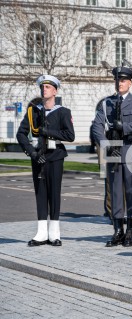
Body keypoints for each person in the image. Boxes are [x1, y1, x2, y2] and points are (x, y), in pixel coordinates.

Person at [92, 66, 132, 247]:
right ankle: (117, 230)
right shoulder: (106, 103)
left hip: (131, 152)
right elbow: (97, 126)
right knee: (116, 192)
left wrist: (124, 128)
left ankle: (130, 231)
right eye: (117, 80)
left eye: (124, 80)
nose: (120, 83)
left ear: (130, 82)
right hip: (114, 152)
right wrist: (106, 144)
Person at [16, 75, 75, 247]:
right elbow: (21, 134)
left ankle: (54, 233)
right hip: (38, 157)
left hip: (55, 156)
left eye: (48, 87)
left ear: (55, 90)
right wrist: (32, 153)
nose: (44, 90)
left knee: (54, 194)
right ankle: (41, 232)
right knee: (40, 193)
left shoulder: (63, 112)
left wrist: (49, 131)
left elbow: (70, 135)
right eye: (42, 87)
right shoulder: (33, 111)